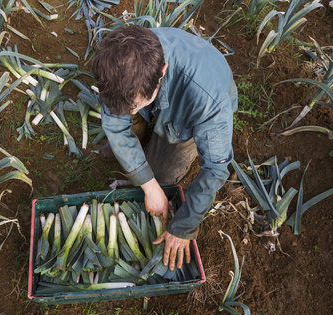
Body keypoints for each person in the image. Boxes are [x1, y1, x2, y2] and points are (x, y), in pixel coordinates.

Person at [92, 25, 237, 271]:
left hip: (187, 115)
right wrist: (148, 187)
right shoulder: (119, 58)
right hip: (148, 94)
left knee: (161, 176)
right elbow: (117, 119)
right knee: (127, 135)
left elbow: (215, 169)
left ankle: (151, 133)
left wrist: (184, 226)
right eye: (126, 108)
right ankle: (140, 128)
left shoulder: (207, 101)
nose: (129, 111)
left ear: (162, 72)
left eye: (135, 105)